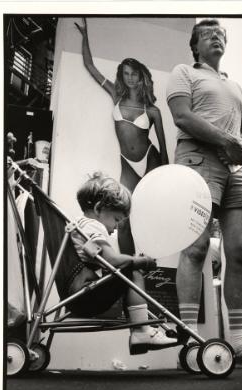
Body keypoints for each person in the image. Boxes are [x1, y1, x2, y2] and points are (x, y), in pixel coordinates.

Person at [166, 19, 242, 366]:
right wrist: (226, 142)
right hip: (198, 160)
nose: (216, 37)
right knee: (196, 247)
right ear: (195, 45)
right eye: (207, 34)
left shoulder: (234, 85)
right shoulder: (183, 72)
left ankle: (238, 342)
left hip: (237, 169)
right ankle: (190, 342)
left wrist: (241, 147)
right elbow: (182, 117)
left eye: (220, 34)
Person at [74, 18, 169, 256]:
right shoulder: (116, 95)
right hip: (127, 164)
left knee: (150, 214)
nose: (130, 77)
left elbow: (164, 149)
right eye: (126, 73)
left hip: (151, 159)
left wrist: (166, 176)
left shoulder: (153, 110)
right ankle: (128, 268)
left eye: (134, 73)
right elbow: (90, 66)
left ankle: (149, 263)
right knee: (123, 219)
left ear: (141, 76)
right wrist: (85, 35)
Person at [67, 172, 176, 354]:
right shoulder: (93, 226)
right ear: (99, 208)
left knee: (127, 270)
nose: (116, 227)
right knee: (132, 272)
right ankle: (141, 330)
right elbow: (112, 260)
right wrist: (139, 261)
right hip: (85, 294)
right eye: (116, 219)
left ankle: (140, 331)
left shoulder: (80, 224)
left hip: (77, 290)